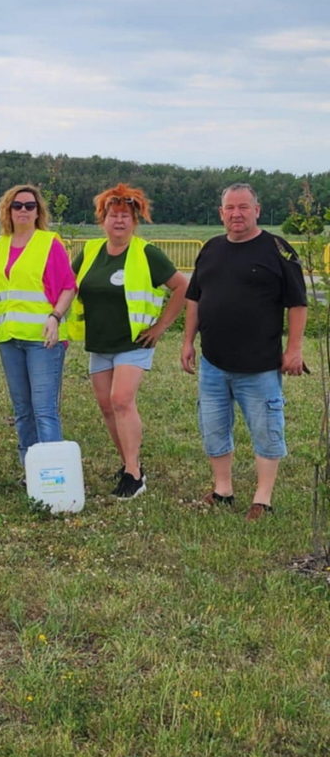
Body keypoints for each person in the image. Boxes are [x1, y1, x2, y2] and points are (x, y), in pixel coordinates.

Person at [181, 183, 307, 520]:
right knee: (213, 428)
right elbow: (194, 298)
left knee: (266, 430)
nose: (236, 214)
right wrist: (187, 341)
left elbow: (297, 303)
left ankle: (262, 499)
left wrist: (294, 349)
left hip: (260, 365)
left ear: (257, 210)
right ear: (221, 213)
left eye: (243, 207)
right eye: (230, 208)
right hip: (213, 363)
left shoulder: (277, 249)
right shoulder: (210, 248)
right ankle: (223, 490)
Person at [70, 184, 188, 499]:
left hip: (134, 342)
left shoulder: (146, 253)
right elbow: (68, 284)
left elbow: (182, 287)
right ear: (103, 220)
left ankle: (134, 475)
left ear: (135, 221)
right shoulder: (91, 251)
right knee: (107, 407)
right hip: (100, 342)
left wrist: (161, 326)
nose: (119, 221)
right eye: (113, 215)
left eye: (125, 216)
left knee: (121, 400)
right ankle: (128, 463)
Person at [0, 185, 76, 471]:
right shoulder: (0, 245)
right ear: (8, 210)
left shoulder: (49, 242)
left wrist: (55, 316)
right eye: (17, 205)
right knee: (22, 410)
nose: (24, 211)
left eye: (30, 206)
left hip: (43, 340)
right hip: (9, 338)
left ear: (38, 211)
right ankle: (31, 470)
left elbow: (68, 286)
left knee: (44, 410)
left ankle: (53, 474)